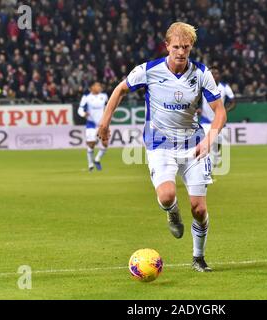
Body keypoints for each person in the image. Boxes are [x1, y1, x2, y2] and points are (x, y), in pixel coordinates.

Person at [98, 22, 226, 272]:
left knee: (199, 209)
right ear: (166, 46)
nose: (181, 52)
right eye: (176, 46)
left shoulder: (201, 73)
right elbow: (119, 90)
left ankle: (198, 258)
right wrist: (104, 123)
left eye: (186, 47)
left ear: (191, 47)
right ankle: (172, 212)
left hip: (193, 144)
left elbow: (220, 111)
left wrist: (209, 139)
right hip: (160, 144)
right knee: (167, 195)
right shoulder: (148, 70)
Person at [198, 67, 236, 167]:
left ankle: (215, 156)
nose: (214, 75)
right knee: (206, 142)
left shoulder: (224, 87)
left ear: (220, 75)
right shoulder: (203, 86)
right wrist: (197, 108)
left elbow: (233, 102)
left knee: (218, 142)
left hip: (219, 119)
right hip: (205, 120)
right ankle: (205, 164)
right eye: (212, 73)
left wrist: (225, 111)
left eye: (216, 73)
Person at [78, 81, 109, 171]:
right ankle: (90, 164)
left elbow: (108, 106)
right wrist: (83, 114)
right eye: (97, 85)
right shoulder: (86, 97)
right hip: (91, 124)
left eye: (99, 85)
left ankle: (97, 159)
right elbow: (80, 109)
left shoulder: (104, 96)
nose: (99, 87)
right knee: (91, 144)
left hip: (102, 124)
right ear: (91, 88)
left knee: (105, 144)